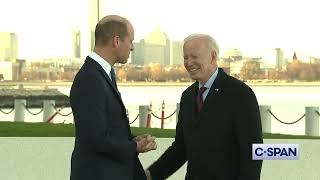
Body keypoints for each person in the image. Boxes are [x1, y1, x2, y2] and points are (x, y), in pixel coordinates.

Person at [145, 34, 263, 180]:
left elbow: (253, 152)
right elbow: (181, 148)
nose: (189, 63)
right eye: (186, 57)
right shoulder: (187, 96)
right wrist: (150, 175)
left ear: (213, 57)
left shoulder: (240, 94)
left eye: (194, 56)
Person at [69, 15, 156, 180]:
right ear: (117, 41)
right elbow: (94, 138)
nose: (132, 48)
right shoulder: (91, 79)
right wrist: (134, 146)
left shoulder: (101, 74)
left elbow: (105, 129)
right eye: (130, 41)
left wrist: (132, 139)